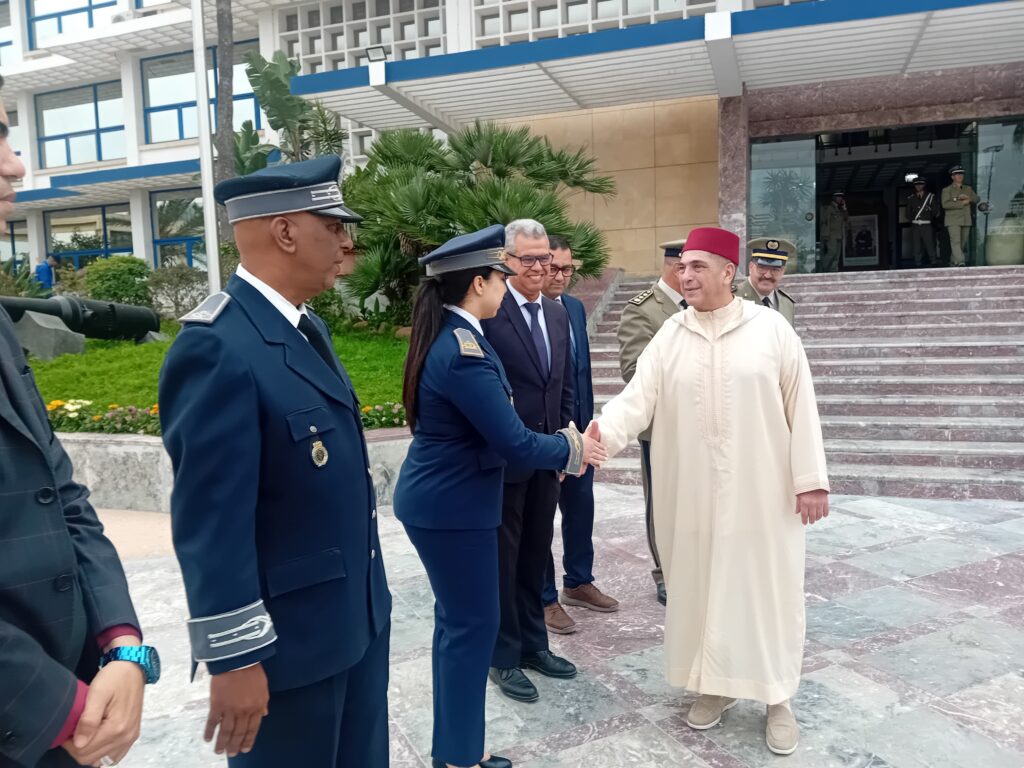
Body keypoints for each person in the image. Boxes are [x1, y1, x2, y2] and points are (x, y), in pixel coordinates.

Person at [159, 155, 391, 767]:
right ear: (285, 232)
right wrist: (236, 658)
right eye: (333, 227)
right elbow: (212, 523)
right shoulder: (218, 348)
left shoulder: (307, 329)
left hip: (357, 620)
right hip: (287, 651)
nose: (346, 243)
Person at [590, 226, 830, 757]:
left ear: (728, 272)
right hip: (691, 491)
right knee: (700, 589)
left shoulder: (771, 329)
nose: (686, 275)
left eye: (698, 266)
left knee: (765, 593)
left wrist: (810, 480)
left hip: (763, 493)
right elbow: (636, 400)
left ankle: (777, 699)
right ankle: (715, 685)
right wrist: (596, 437)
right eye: (682, 267)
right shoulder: (671, 335)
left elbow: (802, 406)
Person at [394, 225, 605, 768]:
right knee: (472, 626)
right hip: (453, 506)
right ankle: (461, 756)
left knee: (459, 625)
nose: (506, 283)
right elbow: (512, 439)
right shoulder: (463, 351)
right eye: (499, 275)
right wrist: (573, 448)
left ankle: (457, 750)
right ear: (478, 283)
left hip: (449, 500)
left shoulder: (460, 335)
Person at [0, 75, 155, 768]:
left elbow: (60, 494)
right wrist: (53, 706)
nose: (16, 166)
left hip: (72, 704)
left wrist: (122, 644)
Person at [482, 219, 578, 704]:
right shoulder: (489, 312)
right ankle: (503, 656)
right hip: (502, 462)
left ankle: (535, 645)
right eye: (529, 259)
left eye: (546, 258)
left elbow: (561, 386)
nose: (540, 267)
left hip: (546, 461)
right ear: (507, 260)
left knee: (536, 557)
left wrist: (566, 443)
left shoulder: (558, 313)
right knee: (503, 561)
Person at [540, 235, 618, 636]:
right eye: (552, 267)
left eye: (567, 269)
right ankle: (544, 598)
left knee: (581, 507)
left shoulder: (573, 307)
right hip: (546, 437)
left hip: (580, 436)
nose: (559, 276)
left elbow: (580, 373)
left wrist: (589, 428)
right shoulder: (523, 313)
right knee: (541, 517)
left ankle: (578, 582)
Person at [615, 237, 686, 606]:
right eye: (686, 268)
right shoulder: (643, 309)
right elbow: (632, 371)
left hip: (702, 427)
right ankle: (665, 573)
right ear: (673, 267)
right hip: (660, 428)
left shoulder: (704, 305)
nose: (691, 276)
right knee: (662, 502)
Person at [733, 238, 796, 327]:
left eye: (775, 270)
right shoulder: (732, 298)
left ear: (782, 272)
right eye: (762, 268)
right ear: (751, 267)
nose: (768, 275)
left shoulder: (787, 303)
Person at [942, 165, 978, 267]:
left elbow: (977, 199)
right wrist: (961, 203)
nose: (960, 176)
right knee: (956, 242)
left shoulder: (968, 188)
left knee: (962, 243)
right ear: (952, 177)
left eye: (961, 173)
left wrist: (969, 198)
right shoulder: (947, 190)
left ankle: (953, 261)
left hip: (966, 219)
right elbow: (945, 204)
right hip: (953, 220)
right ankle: (960, 261)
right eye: (957, 174)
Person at [906, 177, 938, 267]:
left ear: (924, 185)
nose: (918, 186)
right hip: (915, 225)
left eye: (920, 184)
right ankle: (918, 263)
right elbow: (907, 213)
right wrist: (913, 220)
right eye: (916, 185)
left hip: (926, 224)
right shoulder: (911, 198)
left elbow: (935, 211)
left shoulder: (930, 197)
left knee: (929, 244)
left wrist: (928, 215)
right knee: (916, 246)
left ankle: (933, 262)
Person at [821, 191, 848, 272]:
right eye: (838, 197)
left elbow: (846, 218)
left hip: (839, 234)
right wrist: (825, 234)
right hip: (831, 234)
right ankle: (823, 268)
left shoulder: (840, 209)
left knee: (837, 255)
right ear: (834, 198)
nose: (840, 199)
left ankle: (833, 270)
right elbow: (825, 221)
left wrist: (844, 208)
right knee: (832, 252)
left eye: (841, 197)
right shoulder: (829, 208)